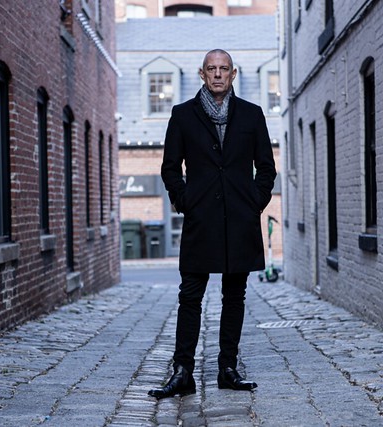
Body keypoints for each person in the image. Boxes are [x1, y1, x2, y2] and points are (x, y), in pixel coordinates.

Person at [148, 49, 277, 399]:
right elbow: (170, 168)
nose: (218, 74)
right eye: (211, 69)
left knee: (234, 296)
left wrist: (254, 201)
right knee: (190, 296)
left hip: (240, 221)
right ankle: (183, 372)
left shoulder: (251, 114)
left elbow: (266, 167)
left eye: (224, 69)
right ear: (202, 74)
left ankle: (227, 369)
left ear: (233, 74)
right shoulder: (182, 115)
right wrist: (185, 201)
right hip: (200, 221)